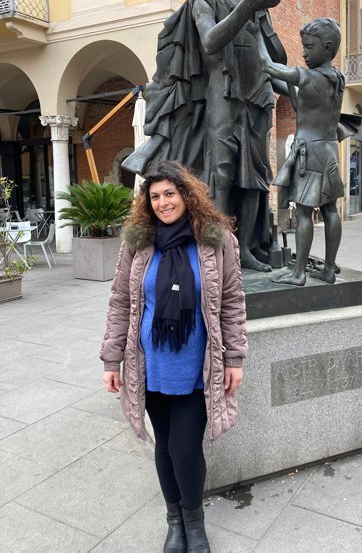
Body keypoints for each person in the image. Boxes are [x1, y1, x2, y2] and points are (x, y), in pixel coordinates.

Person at [100, 160, 247, 553]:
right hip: (150, 366)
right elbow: (120, 301)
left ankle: (194, 522)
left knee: (185, 448)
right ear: (147, 202)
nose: (163, 202)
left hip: (198, 367)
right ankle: (174, 521)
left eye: (170, 193)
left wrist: (235, 358)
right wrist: (111, 360)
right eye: (155, 196)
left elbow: (232, 302)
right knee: (164, 445)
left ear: (186, 194)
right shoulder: (138, 242)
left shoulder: (218, 242)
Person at [122, 0, 287, 273]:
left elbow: (276, 55)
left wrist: (263, 12)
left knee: (256, 177)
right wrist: (247, 6)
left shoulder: (255, 3)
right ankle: (220, 249)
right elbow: (210, 41)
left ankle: (248, 249)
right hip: (222, 92)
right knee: (222, 173)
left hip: (256, 93)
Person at [255, 18, 345, 285]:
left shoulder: (308, 76)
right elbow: (304, 105)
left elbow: (268, 65)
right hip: (329, 148)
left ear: (327, 48)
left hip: (310, 151)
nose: (304, 53)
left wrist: (256, 24)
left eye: (309, 47)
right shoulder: (336, 78)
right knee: (330, 210)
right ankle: (328, 269)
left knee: (304, 212)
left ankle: (299, 273)